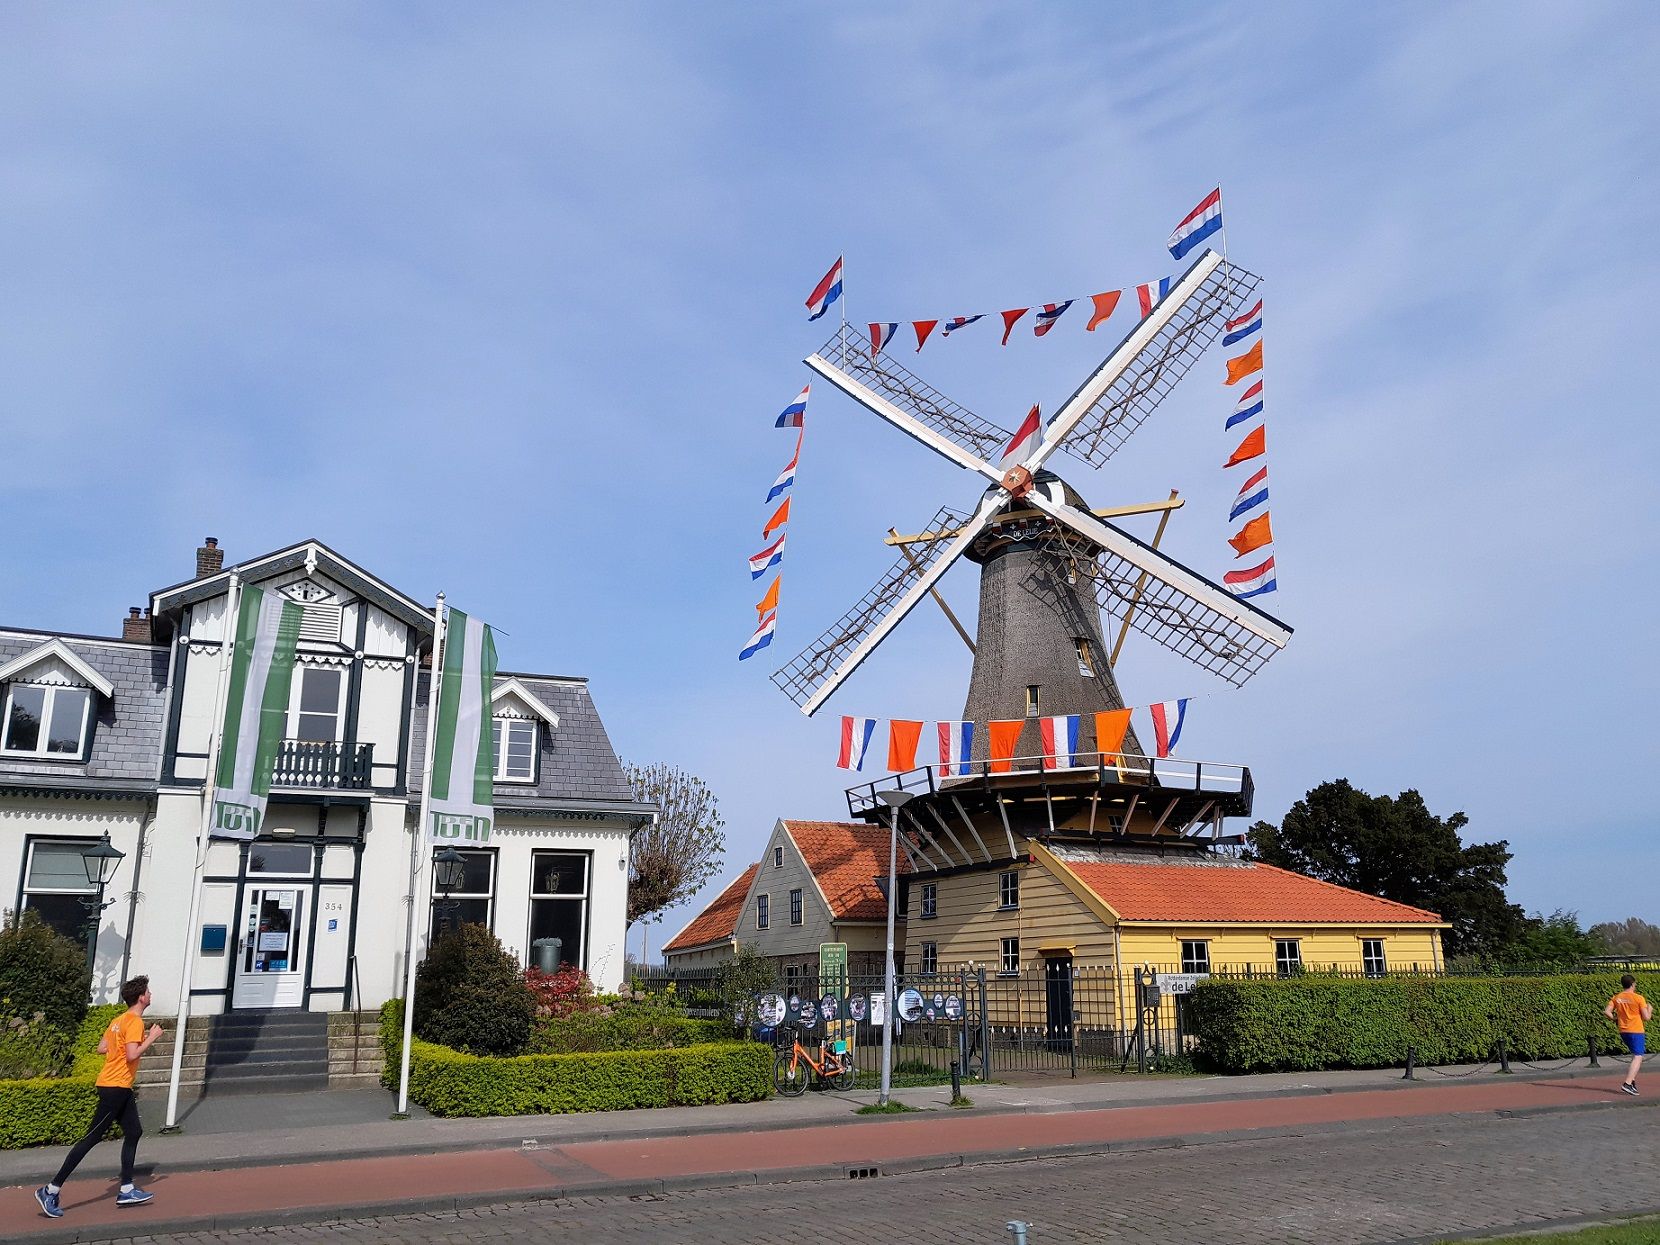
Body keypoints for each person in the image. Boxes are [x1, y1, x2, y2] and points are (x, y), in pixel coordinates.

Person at [34, 975, 163, 1218]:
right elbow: (132, 1055)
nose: (151, 995)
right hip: (115, 1087)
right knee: (90, 1139)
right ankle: (50, 1189)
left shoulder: (118, 1020)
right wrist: (151, 1038)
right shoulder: (135, 1022)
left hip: (116, 1085)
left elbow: (102, 1047)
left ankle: (126, 1189)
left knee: (134, 1131)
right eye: (148, 991)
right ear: (140, 997)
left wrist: (120, 1048)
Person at [1605, 973, 1652, 1097]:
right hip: (1636, 1030)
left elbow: (1607, 1012)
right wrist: (1650, 1009)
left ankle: (1632, 1081)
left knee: (1634, 1055)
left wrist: (1615, 1019)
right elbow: (1646, 1017)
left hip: (1623, 1030)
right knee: (1638, 1056)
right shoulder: (1638, 998)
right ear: (1632, 984)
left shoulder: (1617, 997)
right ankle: (1627, 1083)